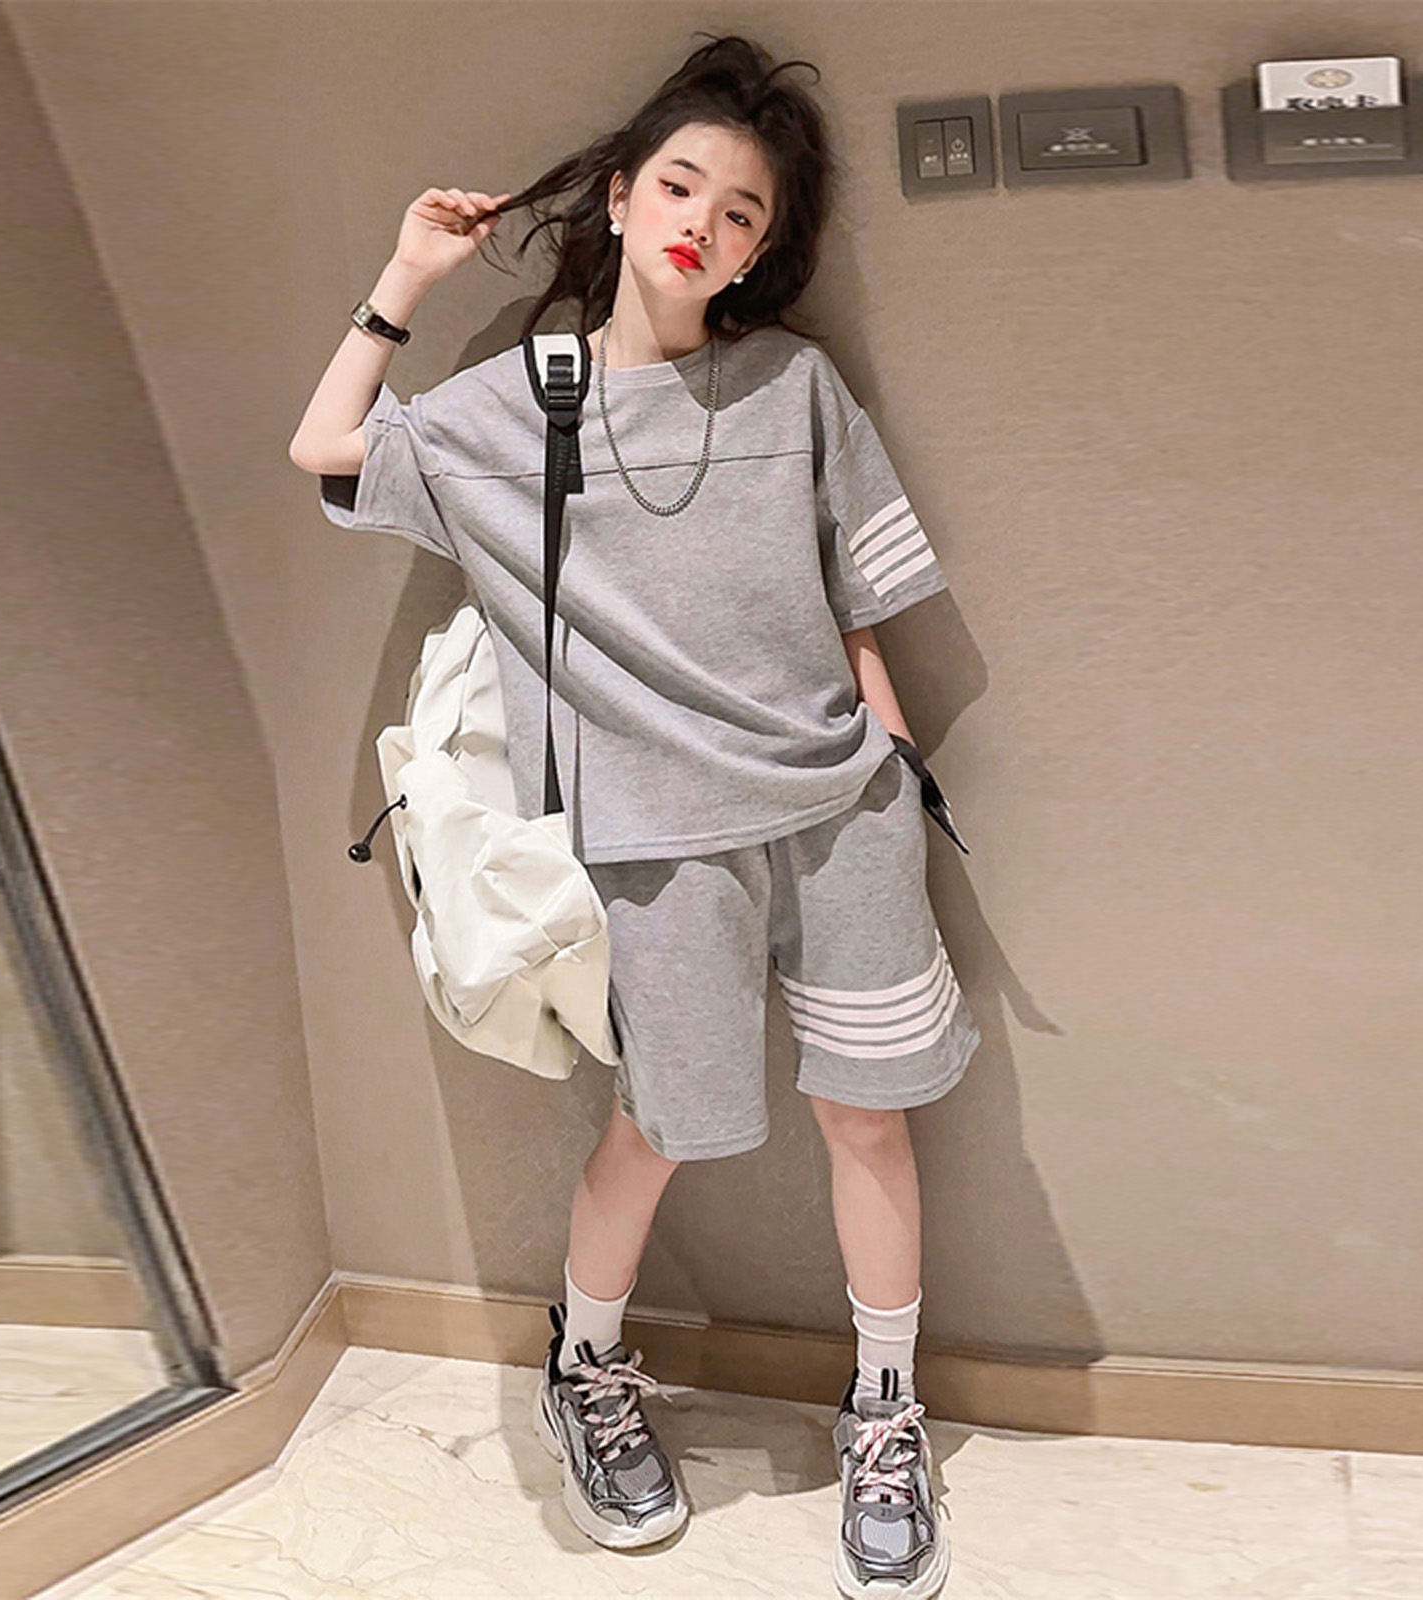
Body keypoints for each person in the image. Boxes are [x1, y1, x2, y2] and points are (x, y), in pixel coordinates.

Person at [289, 32, 978, 1599]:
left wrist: (883, 740)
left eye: (742, 213)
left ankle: (885, 1411)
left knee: (869, 1112)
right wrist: (405, 277)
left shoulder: (795, 381)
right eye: (680, 187)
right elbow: (325, 453)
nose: (703, 226)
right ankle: (584, 1368)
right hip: (656, 842)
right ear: (619, 196)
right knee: (664, 1124)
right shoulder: (518, 406)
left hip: (839, 810)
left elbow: (857, 591)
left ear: (760, 249)